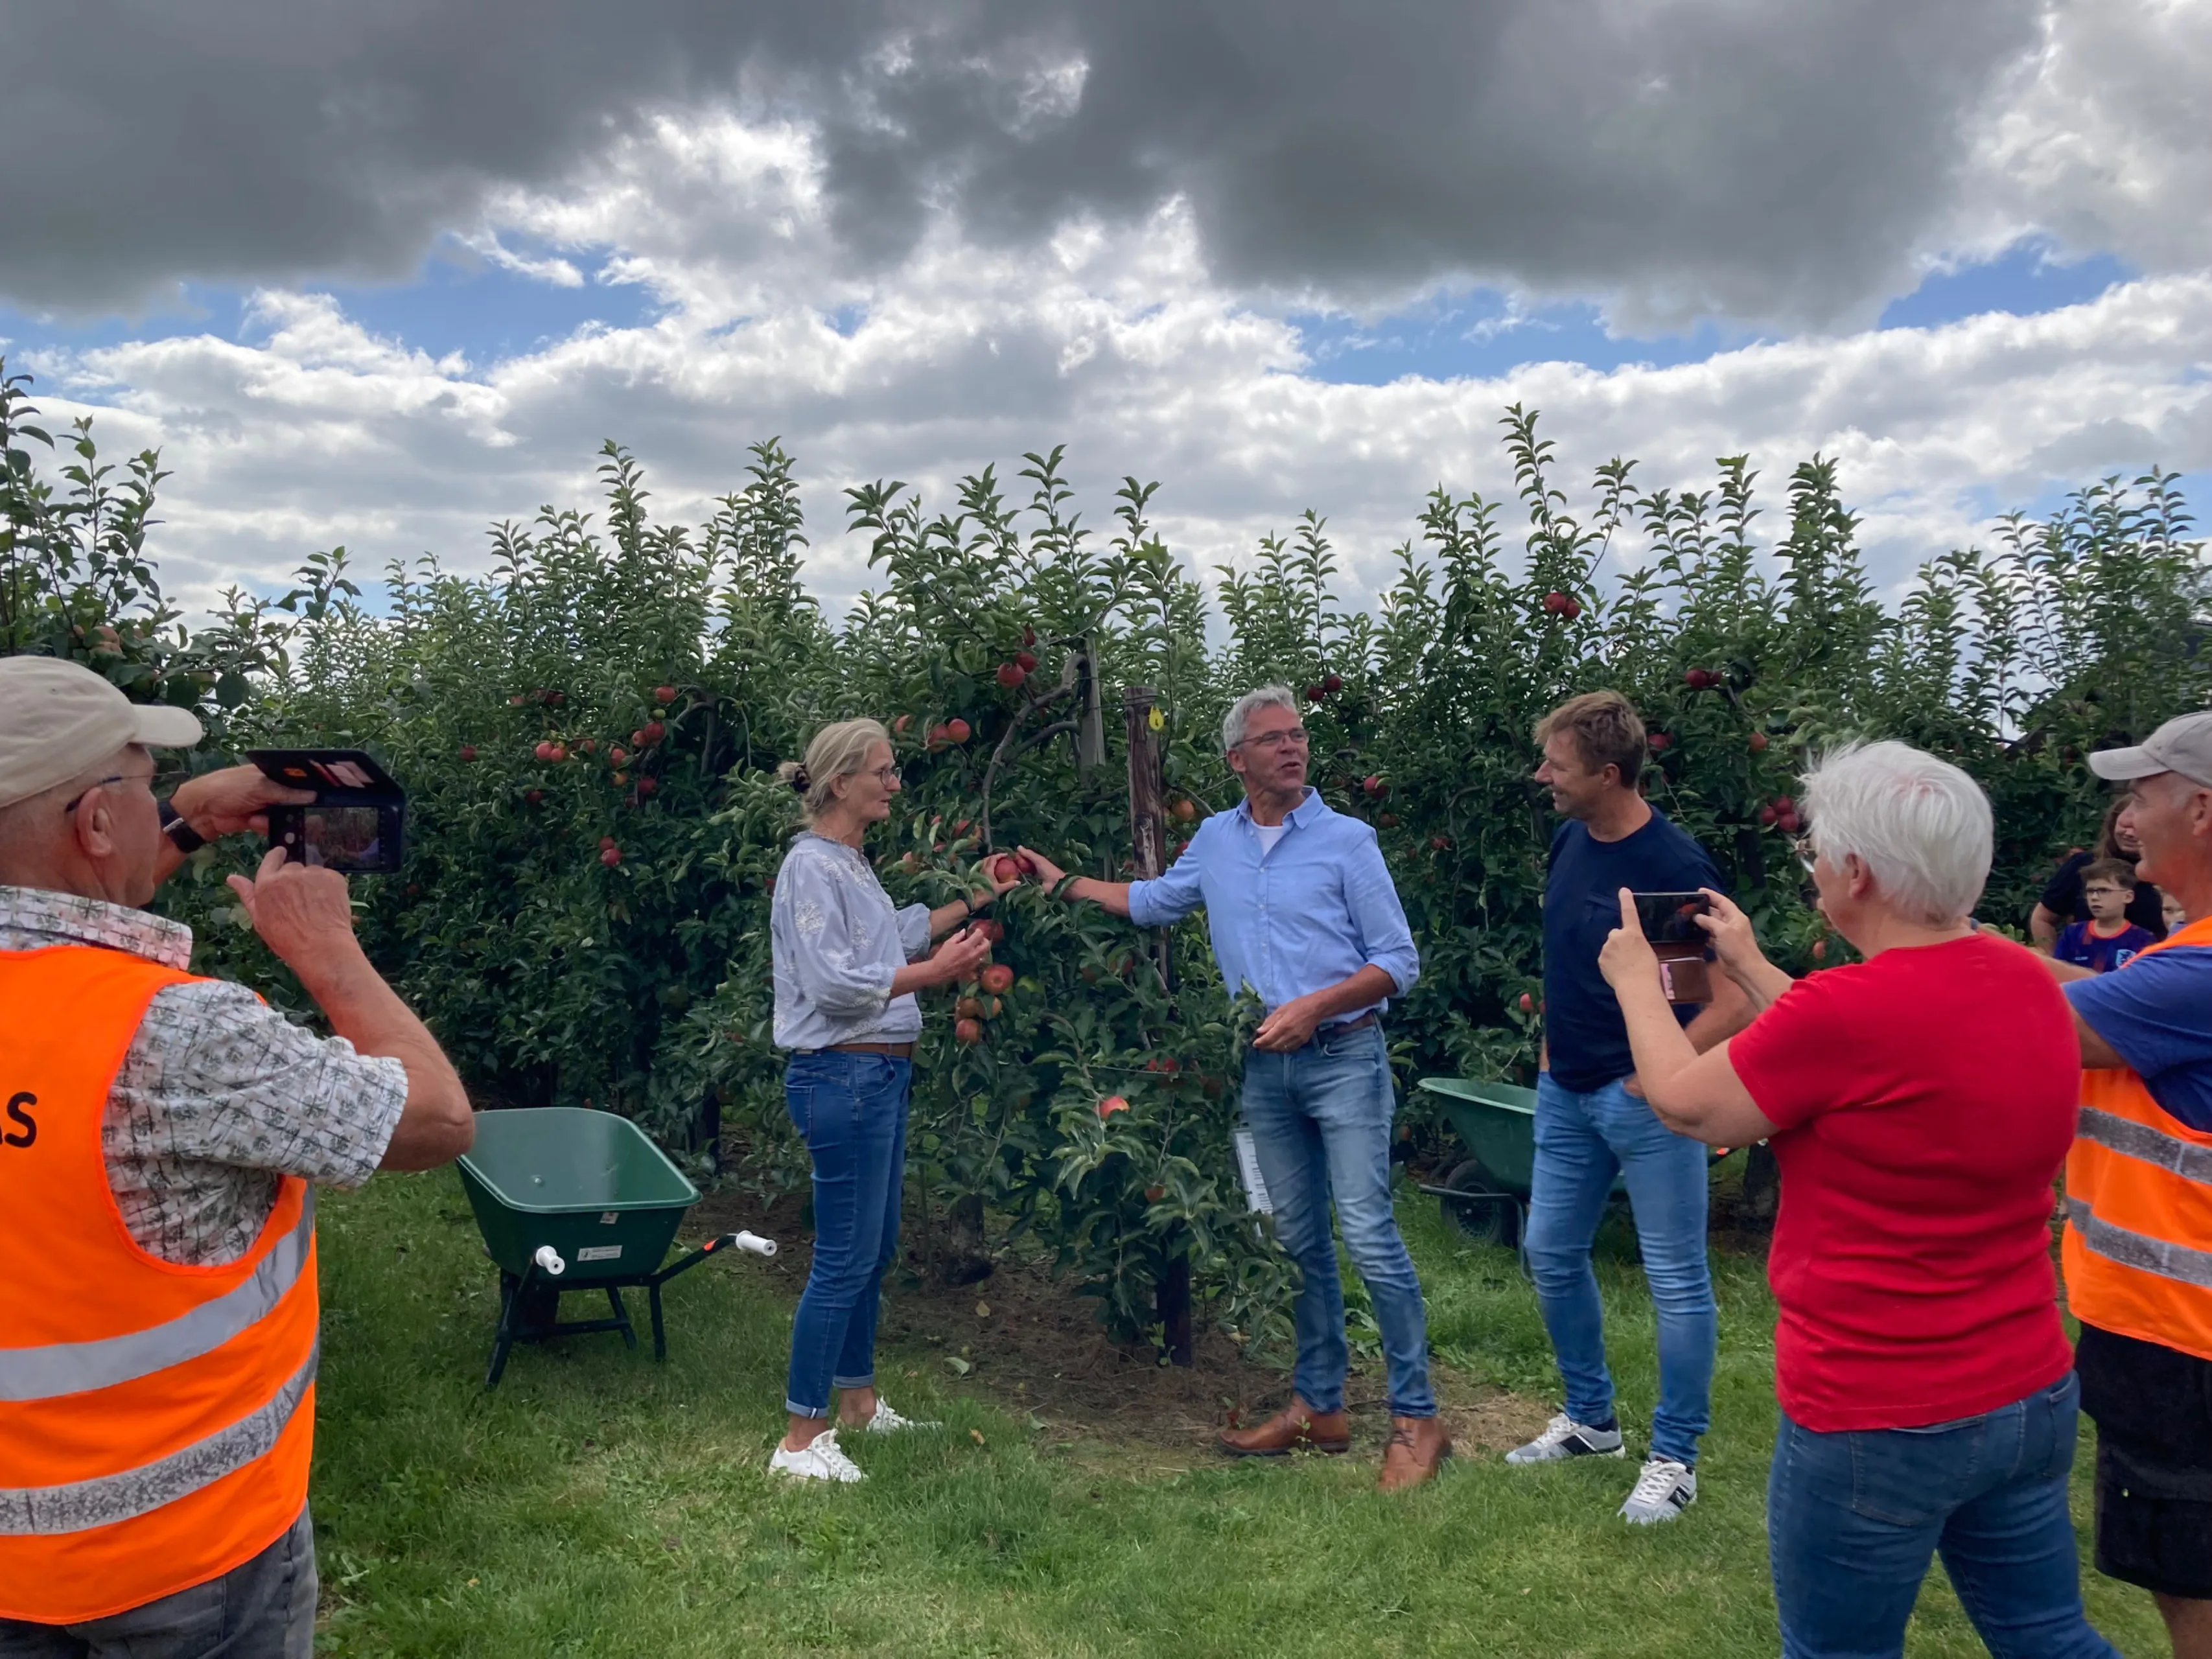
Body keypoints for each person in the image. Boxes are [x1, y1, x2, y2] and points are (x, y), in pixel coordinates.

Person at [1597, 739, 2118, 1659]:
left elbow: (1685, 1102)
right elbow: (1875, 1049)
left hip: (1878, 1411)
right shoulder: (2023, 980)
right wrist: (1750, 965)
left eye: (1815, 852)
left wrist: (1639, 985)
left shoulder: (1840, 1015)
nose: (1813, 869)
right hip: (2026, 1390)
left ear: (1856, 872)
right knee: (2048, 1638)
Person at [0, 656, 474, 1656]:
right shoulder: (180, 1037)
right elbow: (435, 1120)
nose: (159, 800)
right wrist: (328, 952)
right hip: (182, 1556)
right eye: (144, 783)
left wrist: (185, 824)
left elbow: (48, 929)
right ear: (96, 823)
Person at [1020, 685, 1447, 1489]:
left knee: (1367, 1233)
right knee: (1295, 1240)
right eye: (1273, 738)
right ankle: (1318, 1406)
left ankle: (1416, 1416)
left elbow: (1398, 961)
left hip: (1343, 1058)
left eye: (1298, 735)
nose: (1292, 748)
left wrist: (1313, 1007)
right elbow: (1152, 901)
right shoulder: (1216, 839)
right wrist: (1061, 882)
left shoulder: (1348, 841)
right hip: (1260, 1068)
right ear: (1236, 760)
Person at [1505, 690, 1750, 1524]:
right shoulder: (1569, 839)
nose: (1541, 776)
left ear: (1608, 774)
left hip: (1644, 1105)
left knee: (1675, 1279)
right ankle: (1590, 1421)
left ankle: (1674, 1458)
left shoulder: (1671, 867)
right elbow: (1569, 956)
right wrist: (1552, 1042)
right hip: (1565, 1091)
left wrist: (1660, 1074)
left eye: (1556, 765)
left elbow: (1729, 996)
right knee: (1548, 1251)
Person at [766, 717, 1016, 1485]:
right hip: (841, 1076)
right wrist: (937, 974)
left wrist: (977, 899)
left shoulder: (849, 863)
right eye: (883, 771)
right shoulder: (810, 868)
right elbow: (834, 985)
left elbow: (894, 938)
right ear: (839, 781)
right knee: (843, 1255)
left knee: (870, 1251)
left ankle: (858, 1404)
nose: (894, 784)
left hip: (876, 1076)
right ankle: (799, 1439)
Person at [2043, 712, 2212, 1659]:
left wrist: (1919, 937)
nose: (2127, 818)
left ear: (2201, 809)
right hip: (2171, 1335)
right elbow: (2082, 994)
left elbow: (2029, 1021)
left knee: (2194, 1587)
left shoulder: (2196, 974)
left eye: (2143, 794)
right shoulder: (2176, 964)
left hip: (2181, 1342)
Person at [2032, 796, 2166, 946]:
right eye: (2124, 825)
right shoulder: (2083, 865)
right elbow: (2042, 919)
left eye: (2137, 828)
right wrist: (2051, 957)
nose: (2129, 833)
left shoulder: (2171, 872)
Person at [2052, 857, 2155, 973]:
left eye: (2104, 891)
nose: (2094, 897)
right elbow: (2058, 974)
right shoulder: (2073, 933)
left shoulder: (2143, 939)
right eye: (2090, 891)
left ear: (2128, 897)